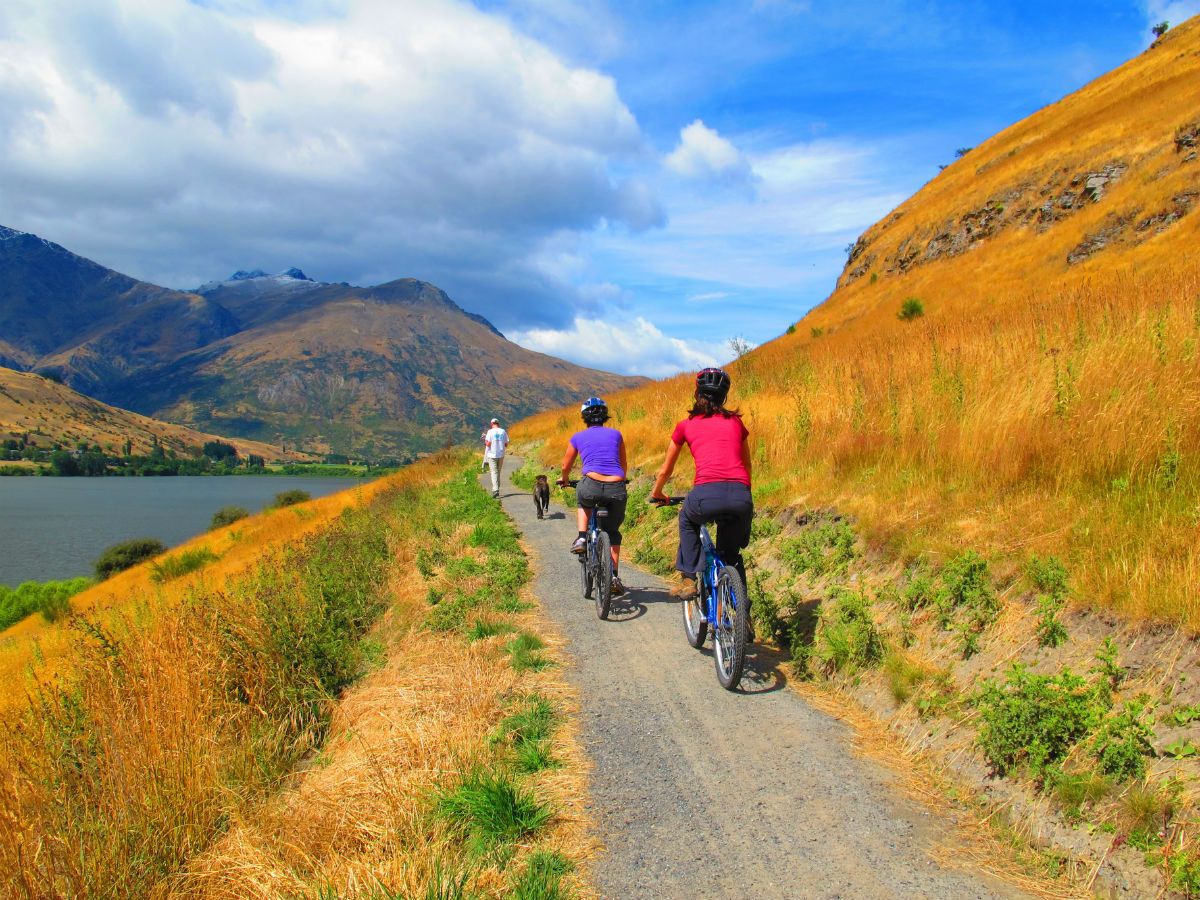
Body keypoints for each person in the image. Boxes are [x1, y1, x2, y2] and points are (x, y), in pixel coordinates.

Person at [649, 368, 752, 598]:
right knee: (731, 556)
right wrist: (743, 495)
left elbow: (666, 470)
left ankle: (688, 578)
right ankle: (741, 616)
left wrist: (657, 492)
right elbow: (747, 467)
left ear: (697, 394)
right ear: (724, 396)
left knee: (687, 518)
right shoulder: (736, 423)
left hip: (705, 494)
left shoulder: (686, 425)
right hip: (741, 496)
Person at [559, 397, 628, 597]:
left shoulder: (578, 437)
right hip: (616, 487)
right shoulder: (616, 434)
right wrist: (620, 479)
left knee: (583, 498)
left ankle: (582, 538)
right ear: (604, 416)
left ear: (584, 417)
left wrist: (564, 479)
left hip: (591, 484)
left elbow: (565, 466)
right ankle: (614, 576)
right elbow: (623, 465)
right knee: (613, 532)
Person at [484, 417, 508, 498]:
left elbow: (488, 444)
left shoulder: (490, 432)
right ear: (498, 424)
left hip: (492, 454)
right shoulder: (503, 431)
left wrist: (485, 441)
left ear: (491, 424)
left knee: (494, 472)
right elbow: (506, 444)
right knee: (498, 472)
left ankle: (495, 489)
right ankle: (497, 488)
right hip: (501, 454)